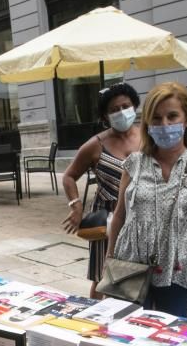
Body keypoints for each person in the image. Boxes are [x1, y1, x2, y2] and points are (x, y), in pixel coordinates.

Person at [107, 81, 187, 318]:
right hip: (130, 262)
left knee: (168, 338)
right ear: (148, 124)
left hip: (180, 267)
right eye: (156, 118)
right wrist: (109, 258)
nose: (165, 124)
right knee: (126, 334)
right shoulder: (134, 163)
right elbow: (120, 214)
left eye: (172, 116)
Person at [61, 83, 142, 298]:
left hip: (140, 217)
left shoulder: (148, 138)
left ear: (134, 106)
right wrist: (75, 206)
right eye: (114, 109)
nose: (121, 112)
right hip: (106, 221)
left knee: (138, 272)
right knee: (101, 277)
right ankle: (95, 318)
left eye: (125, 106)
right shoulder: (95, 145)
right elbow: (69, 176)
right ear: (105, 116)